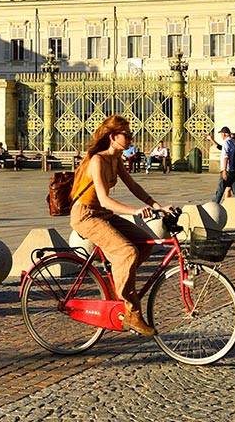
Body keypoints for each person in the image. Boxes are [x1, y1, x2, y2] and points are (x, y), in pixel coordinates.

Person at [68, 115, 174, 337]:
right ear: (112, 137)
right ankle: (131, 310)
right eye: (125, 134)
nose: (130, 137)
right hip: (86, 215)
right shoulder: (97, 160)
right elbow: (105, 199)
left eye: (130, 133)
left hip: (102, 214)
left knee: (146, 244)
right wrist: (135, 211)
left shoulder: (116, 160)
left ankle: (121, 285)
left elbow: (133, 185)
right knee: (126, 252)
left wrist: (157, 205)